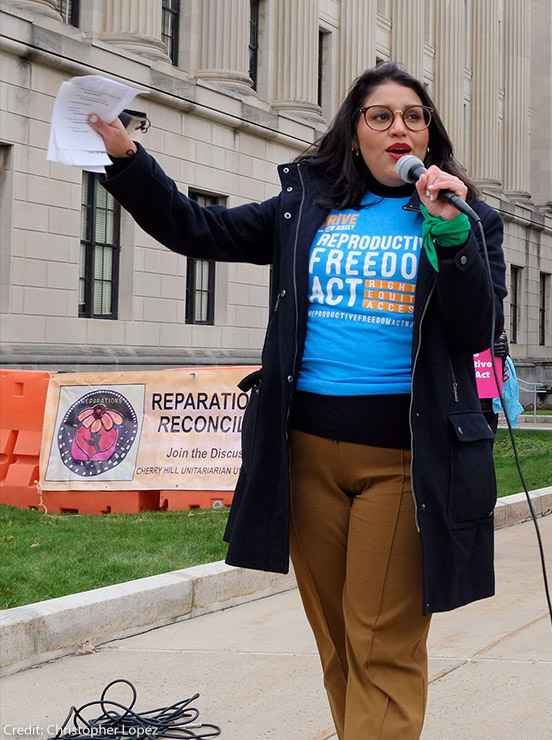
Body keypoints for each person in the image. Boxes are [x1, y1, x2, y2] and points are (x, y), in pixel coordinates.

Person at [88, 62, 506, 739]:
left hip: (404, 461)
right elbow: (199, 230)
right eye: (381, 116)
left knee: (382, 644)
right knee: (340, 641)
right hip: (305, 455)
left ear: (430, 135)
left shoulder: (466, 216)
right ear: (355, 132)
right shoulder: (306, 207)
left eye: (413, 116)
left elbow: (475, 330)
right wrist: (129, 160)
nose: (399, 128)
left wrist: (450, 237)